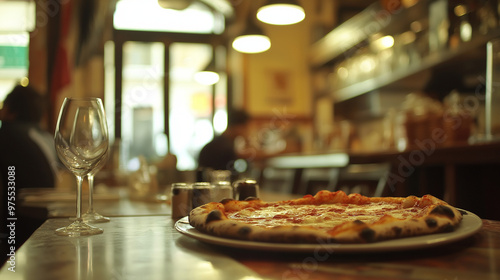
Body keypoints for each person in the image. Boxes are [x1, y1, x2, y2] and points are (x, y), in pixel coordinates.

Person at [0, 84, 59, 189]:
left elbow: (10, 189)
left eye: (4, 105)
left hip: (22, 203)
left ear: (12, 111)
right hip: (47, 199)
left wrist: (10, 205)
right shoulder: (45, 136)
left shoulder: (8, 134)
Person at [197, 109, 249, 180]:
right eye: (246, 127)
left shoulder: (221, 142)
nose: (246, 130)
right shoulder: (224, 146)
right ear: (239, 127)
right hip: (216, 186)